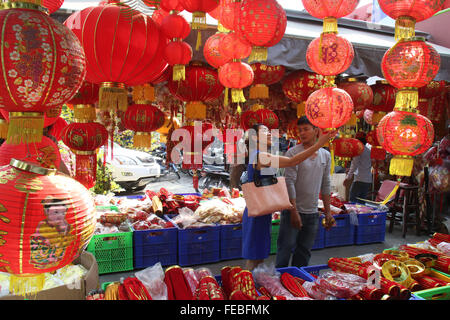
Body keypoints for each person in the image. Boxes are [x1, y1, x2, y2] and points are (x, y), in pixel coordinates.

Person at [242, 123, 335, 271]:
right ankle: (248, 287)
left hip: (261, 211)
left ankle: (252, 287)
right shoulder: (260, 156)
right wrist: (319, 145)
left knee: (258, 256)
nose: (269, 134)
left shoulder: (261, 154)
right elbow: (292, 162)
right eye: (264, 131)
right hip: (256, 213)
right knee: (254, 257)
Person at [275, 116, 335, 268]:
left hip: (312, 213)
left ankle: (298, 283)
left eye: (306, 129)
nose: (302, 133)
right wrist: (294, 212)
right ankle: (277, 285)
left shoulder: (325, 155)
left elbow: (326, 184)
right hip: (292, 212)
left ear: (316, 131)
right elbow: (289, 182)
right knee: (285, 249)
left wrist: (328, 213)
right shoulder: (292, 153)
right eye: (300, 130)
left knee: (304, 251)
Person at [344, 132, 372, 203]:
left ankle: (354, 214)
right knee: (362, 201)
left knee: (352, 200)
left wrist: (348, 177)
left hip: (359, 179)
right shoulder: (368, 151)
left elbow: (354, 164)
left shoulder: (359, 150)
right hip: (368, 180)